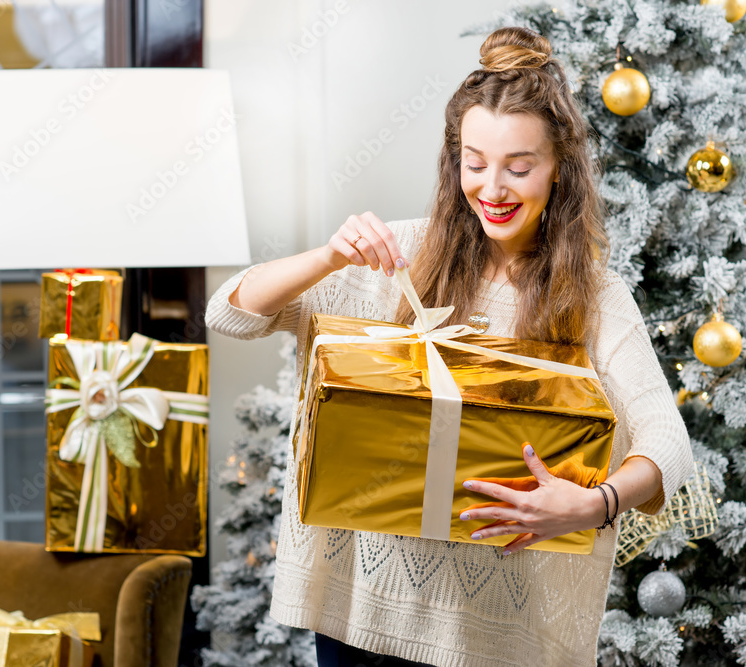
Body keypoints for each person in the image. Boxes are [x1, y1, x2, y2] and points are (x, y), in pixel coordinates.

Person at [205, 26, 694, 667]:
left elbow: (668, 441)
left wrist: (592, 504)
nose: (492, 189)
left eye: (520, 168)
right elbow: (233, 312)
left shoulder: (594, 295)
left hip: (499, 634)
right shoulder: (399, 258)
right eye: (474, 162)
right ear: (453, 158)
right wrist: (327, 255)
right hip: (363, 614)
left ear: (560, 169)